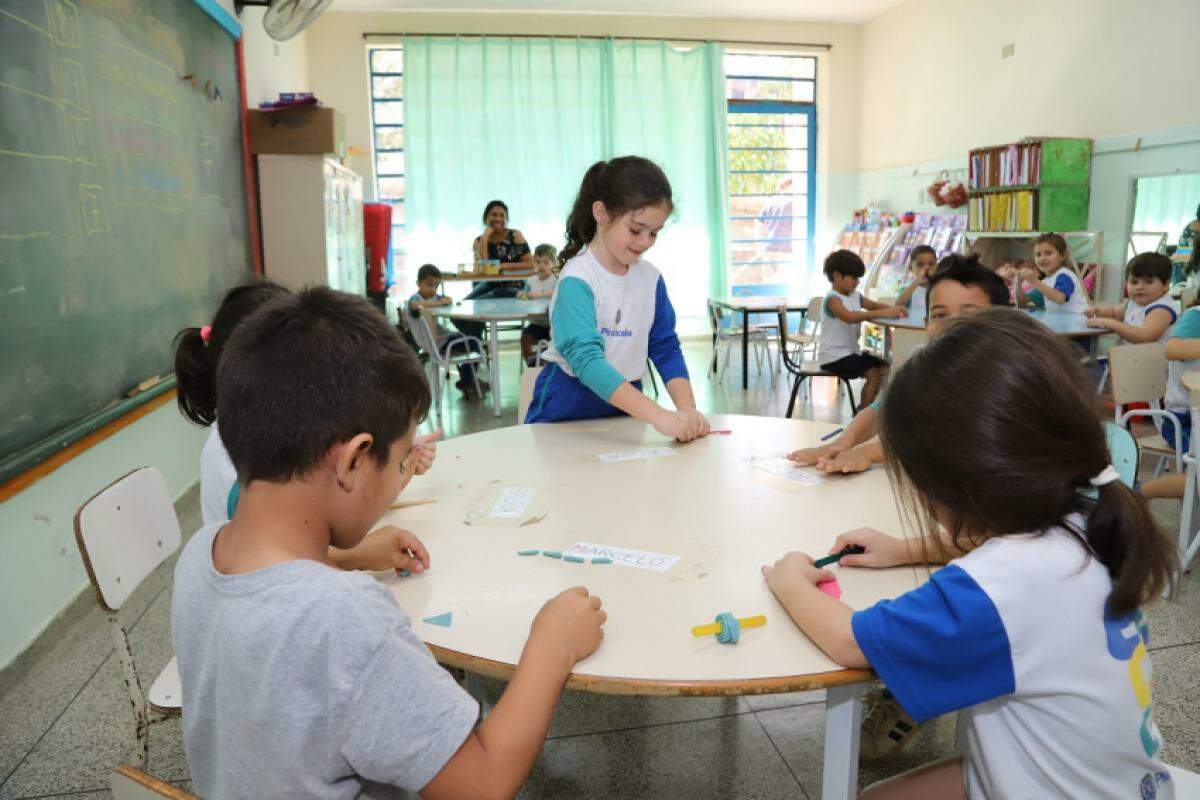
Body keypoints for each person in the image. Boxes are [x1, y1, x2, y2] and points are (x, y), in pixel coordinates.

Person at [172, 286, 607, 798]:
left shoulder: (200, 554)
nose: (401, 474)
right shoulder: (344, 618)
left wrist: (353, 556)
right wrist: (551, 645)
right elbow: (483, 783)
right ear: (354, 461)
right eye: (399, 461)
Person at [763, 308, 1176, 799]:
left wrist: (787, 578)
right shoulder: (1088, 515)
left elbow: (852, 643)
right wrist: (902, 550)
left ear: (953, 480)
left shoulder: (1000, 584)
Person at [175, 282, 441, 568]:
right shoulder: (235, 453)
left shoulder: (265, 426)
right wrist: (362, 554)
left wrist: (398, 461)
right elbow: (276, 554)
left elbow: (344, 494)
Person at [525, 156, 708, 442]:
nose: (645, 241)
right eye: (636, 230)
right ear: (601, 213)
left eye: (654, 233)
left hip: (625, 404)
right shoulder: (578, 279)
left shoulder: (651, 279)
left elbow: (665, 347)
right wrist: (661, 417)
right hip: (566, 406)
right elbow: (587, 362)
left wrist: (688, 411)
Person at [790, 254, 1010, 478]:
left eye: (969, 314)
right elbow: (880, 409)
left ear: (1003, 321)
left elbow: (940, 439)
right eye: (940, 314)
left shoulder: (1006, 377)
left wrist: (869, 451)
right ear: (927, 323)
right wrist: (839, 445)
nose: (951, 324)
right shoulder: (919, 365)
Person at [817, 249, 906, 407]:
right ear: (837, 276)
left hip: (850, 353)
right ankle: (863, 414)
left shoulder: (855, 295)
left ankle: (868, 404)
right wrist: (885, 312)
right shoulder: (832, 299)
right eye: (854, 277)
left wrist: (895, 309)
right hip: (833, 357)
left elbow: (873, 305)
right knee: (873, 372)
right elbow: (849, 317)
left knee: (884, 365)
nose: (857, 282)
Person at [409, 264, 488, 397]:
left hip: (438, 339)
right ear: (418, 284)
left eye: (436, 286)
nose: (433, 289)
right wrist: (438, 303)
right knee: (476, 343)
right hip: (436, 342)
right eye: (429, 285)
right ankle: (468, 380)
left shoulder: (433, 297)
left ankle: (468, 379)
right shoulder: (415, 298)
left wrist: (442, 300)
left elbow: (449, 300)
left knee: (469, 338)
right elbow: (414, 305)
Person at [1086, 252, 1180, 343]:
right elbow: (1114, 313)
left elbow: (1145, 336)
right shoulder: (1135, 302)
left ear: (1166, 285)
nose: (1139, 287)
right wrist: (1098, 313)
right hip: (1134, 356)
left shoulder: (1162, 309)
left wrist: (1111, 323)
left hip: (1154, 358)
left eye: (1149, 282)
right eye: (1134, 282)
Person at [1005, 233, 1089, 313]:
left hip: (1078, 321)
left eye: (1048, 253)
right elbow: (1022, 301)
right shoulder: (1045, 283)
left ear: (1062, 256)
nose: (1042, 258)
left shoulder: (1064, 275)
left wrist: (1034, 281)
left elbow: (1059, 298)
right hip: (1063, 323)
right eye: (1038, 255)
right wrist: (1017, 282)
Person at [467, 200, 533, 300]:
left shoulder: (515, 235)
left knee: (485, 299)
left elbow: (530, 264)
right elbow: (483, 270)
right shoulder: (478, 241)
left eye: (502, 216)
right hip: (487, 285)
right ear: (486, 218)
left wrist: (502, 266)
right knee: (466, 303)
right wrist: (485, 238)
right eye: (494, 215)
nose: (498, 219)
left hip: (513, 285)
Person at [519, 244, 559, 366]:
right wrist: (522, 294)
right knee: (525, 337)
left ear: (554, 263)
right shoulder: (531, 281)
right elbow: (525, 295)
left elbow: (558, 294)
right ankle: (531, 363)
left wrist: (537, 294)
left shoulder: (556, 279)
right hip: (537, 323)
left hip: (553, 325)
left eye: (546, 262)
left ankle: (547, 362)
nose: (541, 265)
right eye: (538, 262)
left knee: (556, 341)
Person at [893, 245, 937, 316]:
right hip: (911, 326)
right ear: (911, 268)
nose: (926, 268)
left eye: (931, 264)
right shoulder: (908, 289)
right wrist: (917, 281)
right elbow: (897, 305)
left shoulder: (940, 288)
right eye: (920, 265)